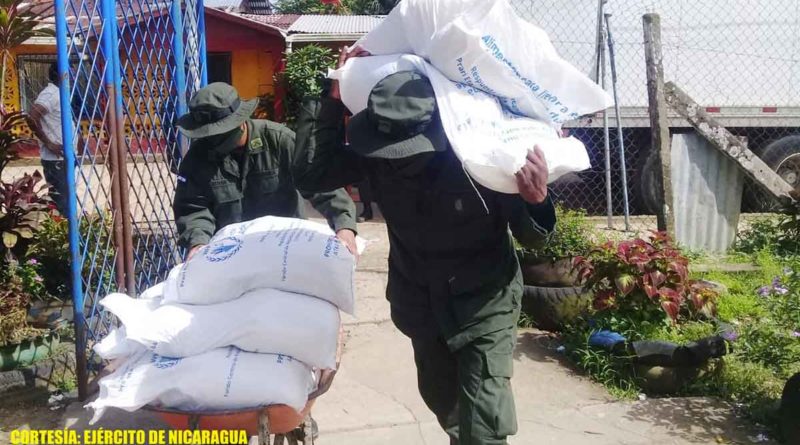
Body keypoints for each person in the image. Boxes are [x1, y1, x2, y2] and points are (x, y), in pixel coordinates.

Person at [292, 47, 557, 445]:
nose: (396, 161)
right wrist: (331, 97)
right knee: (444, 402)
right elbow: (311, 173)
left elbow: (532, 236)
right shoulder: (377, 157)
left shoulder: (479, 159)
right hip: (420, 300)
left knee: (484, 423)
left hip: (484, 303)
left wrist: (535, 201)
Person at [173, 82, 358, 260]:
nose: (213, 142)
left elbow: (323, 186)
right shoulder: (197, 157)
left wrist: (345, 228)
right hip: (230, 255)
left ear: (240, 122)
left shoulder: (279, 141)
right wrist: (198, 243)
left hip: (286, 249)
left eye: (219, 135)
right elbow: (193, 208)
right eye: (207, 136)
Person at [28, 63, 68, 214]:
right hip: (55, 159)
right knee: (61, 202)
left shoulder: (61, 93)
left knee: (66, 199)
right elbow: (32, 117)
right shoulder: (51, 94)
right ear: (60, 75)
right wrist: (48, 143)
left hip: (63, 157)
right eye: (69, 73)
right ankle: (64, 233)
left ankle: (66, 231)